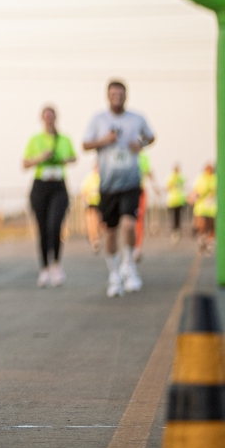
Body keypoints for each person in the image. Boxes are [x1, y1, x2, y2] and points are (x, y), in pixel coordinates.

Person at [82, 80, 155, 297]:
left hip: (131, 182)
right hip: (108, 185)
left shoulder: (136, 118)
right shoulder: (98, 119)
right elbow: (85, 144)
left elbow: (151, 136)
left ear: (126, 96)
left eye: (121, 94)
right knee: (111, 232)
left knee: (129, 225)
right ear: (108, 96)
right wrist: (105, 140)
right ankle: (114, 275)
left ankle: (129, 266)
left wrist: (140, 144)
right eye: (113, 94)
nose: (117, 98)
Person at [22, 106, 77, 288]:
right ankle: (44, 267)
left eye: (51, 116)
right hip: (40, 186)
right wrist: (41, 157)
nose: (48, 119)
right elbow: (25, 163)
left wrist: (61, 158)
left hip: (58, 186)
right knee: (42, 228)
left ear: (55, 118)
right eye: (45, 116)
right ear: (41, 119)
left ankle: (56, 265)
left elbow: (73, 158)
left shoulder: (64, 139)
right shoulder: (35, 140)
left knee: (55, 225)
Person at [190, 163, 217, 254]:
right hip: (201, 207)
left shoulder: (215, 178)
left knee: (212, 227)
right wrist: (192, 197)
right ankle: (202, 240)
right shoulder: (200, 179)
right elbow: (195, 191)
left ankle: (210, 243)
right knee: (201, 225)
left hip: (212, 208)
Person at [79, 166, 102, 252]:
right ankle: (94, 238)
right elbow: (84, 191)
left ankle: (96, 237)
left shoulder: (102, 177)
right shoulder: (89, 178)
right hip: (91, 202)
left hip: (100, 202)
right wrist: (84, 199)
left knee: (97, 221)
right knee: (92, 221)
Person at [166, 163, 187, 242]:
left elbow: (168, 187)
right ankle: (175, 230)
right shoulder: (179, 177)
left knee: (176, 217)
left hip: (176, 200)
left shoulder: (172, 177)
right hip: (176, 200)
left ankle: (175, 230)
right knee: (176, 217)